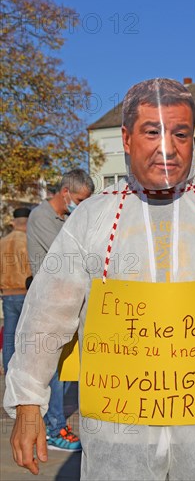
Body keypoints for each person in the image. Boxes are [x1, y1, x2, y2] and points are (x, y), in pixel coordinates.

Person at [5, 78, 195, 480]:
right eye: (152, 131)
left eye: (180, 133)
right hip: (119, 436)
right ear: (126, 139)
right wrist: (27, 404)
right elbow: (47, 316)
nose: (168, 146)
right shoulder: (93, 220)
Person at [26, 169, 95, 452]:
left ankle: (54, 421)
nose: (81, 205)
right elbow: (70, 253)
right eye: (80, 199)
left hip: (69, 299)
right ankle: (54, 429)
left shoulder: (66, 218)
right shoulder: (42, 217)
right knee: (53, 371)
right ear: (65, 192)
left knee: (66, 369)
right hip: (50, 303)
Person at [0, 208, 32, 373]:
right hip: (25, 293)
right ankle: (25, 373)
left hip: (7, 295)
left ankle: (9, 372)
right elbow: (31, 268)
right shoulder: (28, 240)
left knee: (9, 337)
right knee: (27, 336)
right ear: (27, 222)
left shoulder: (2, 241)